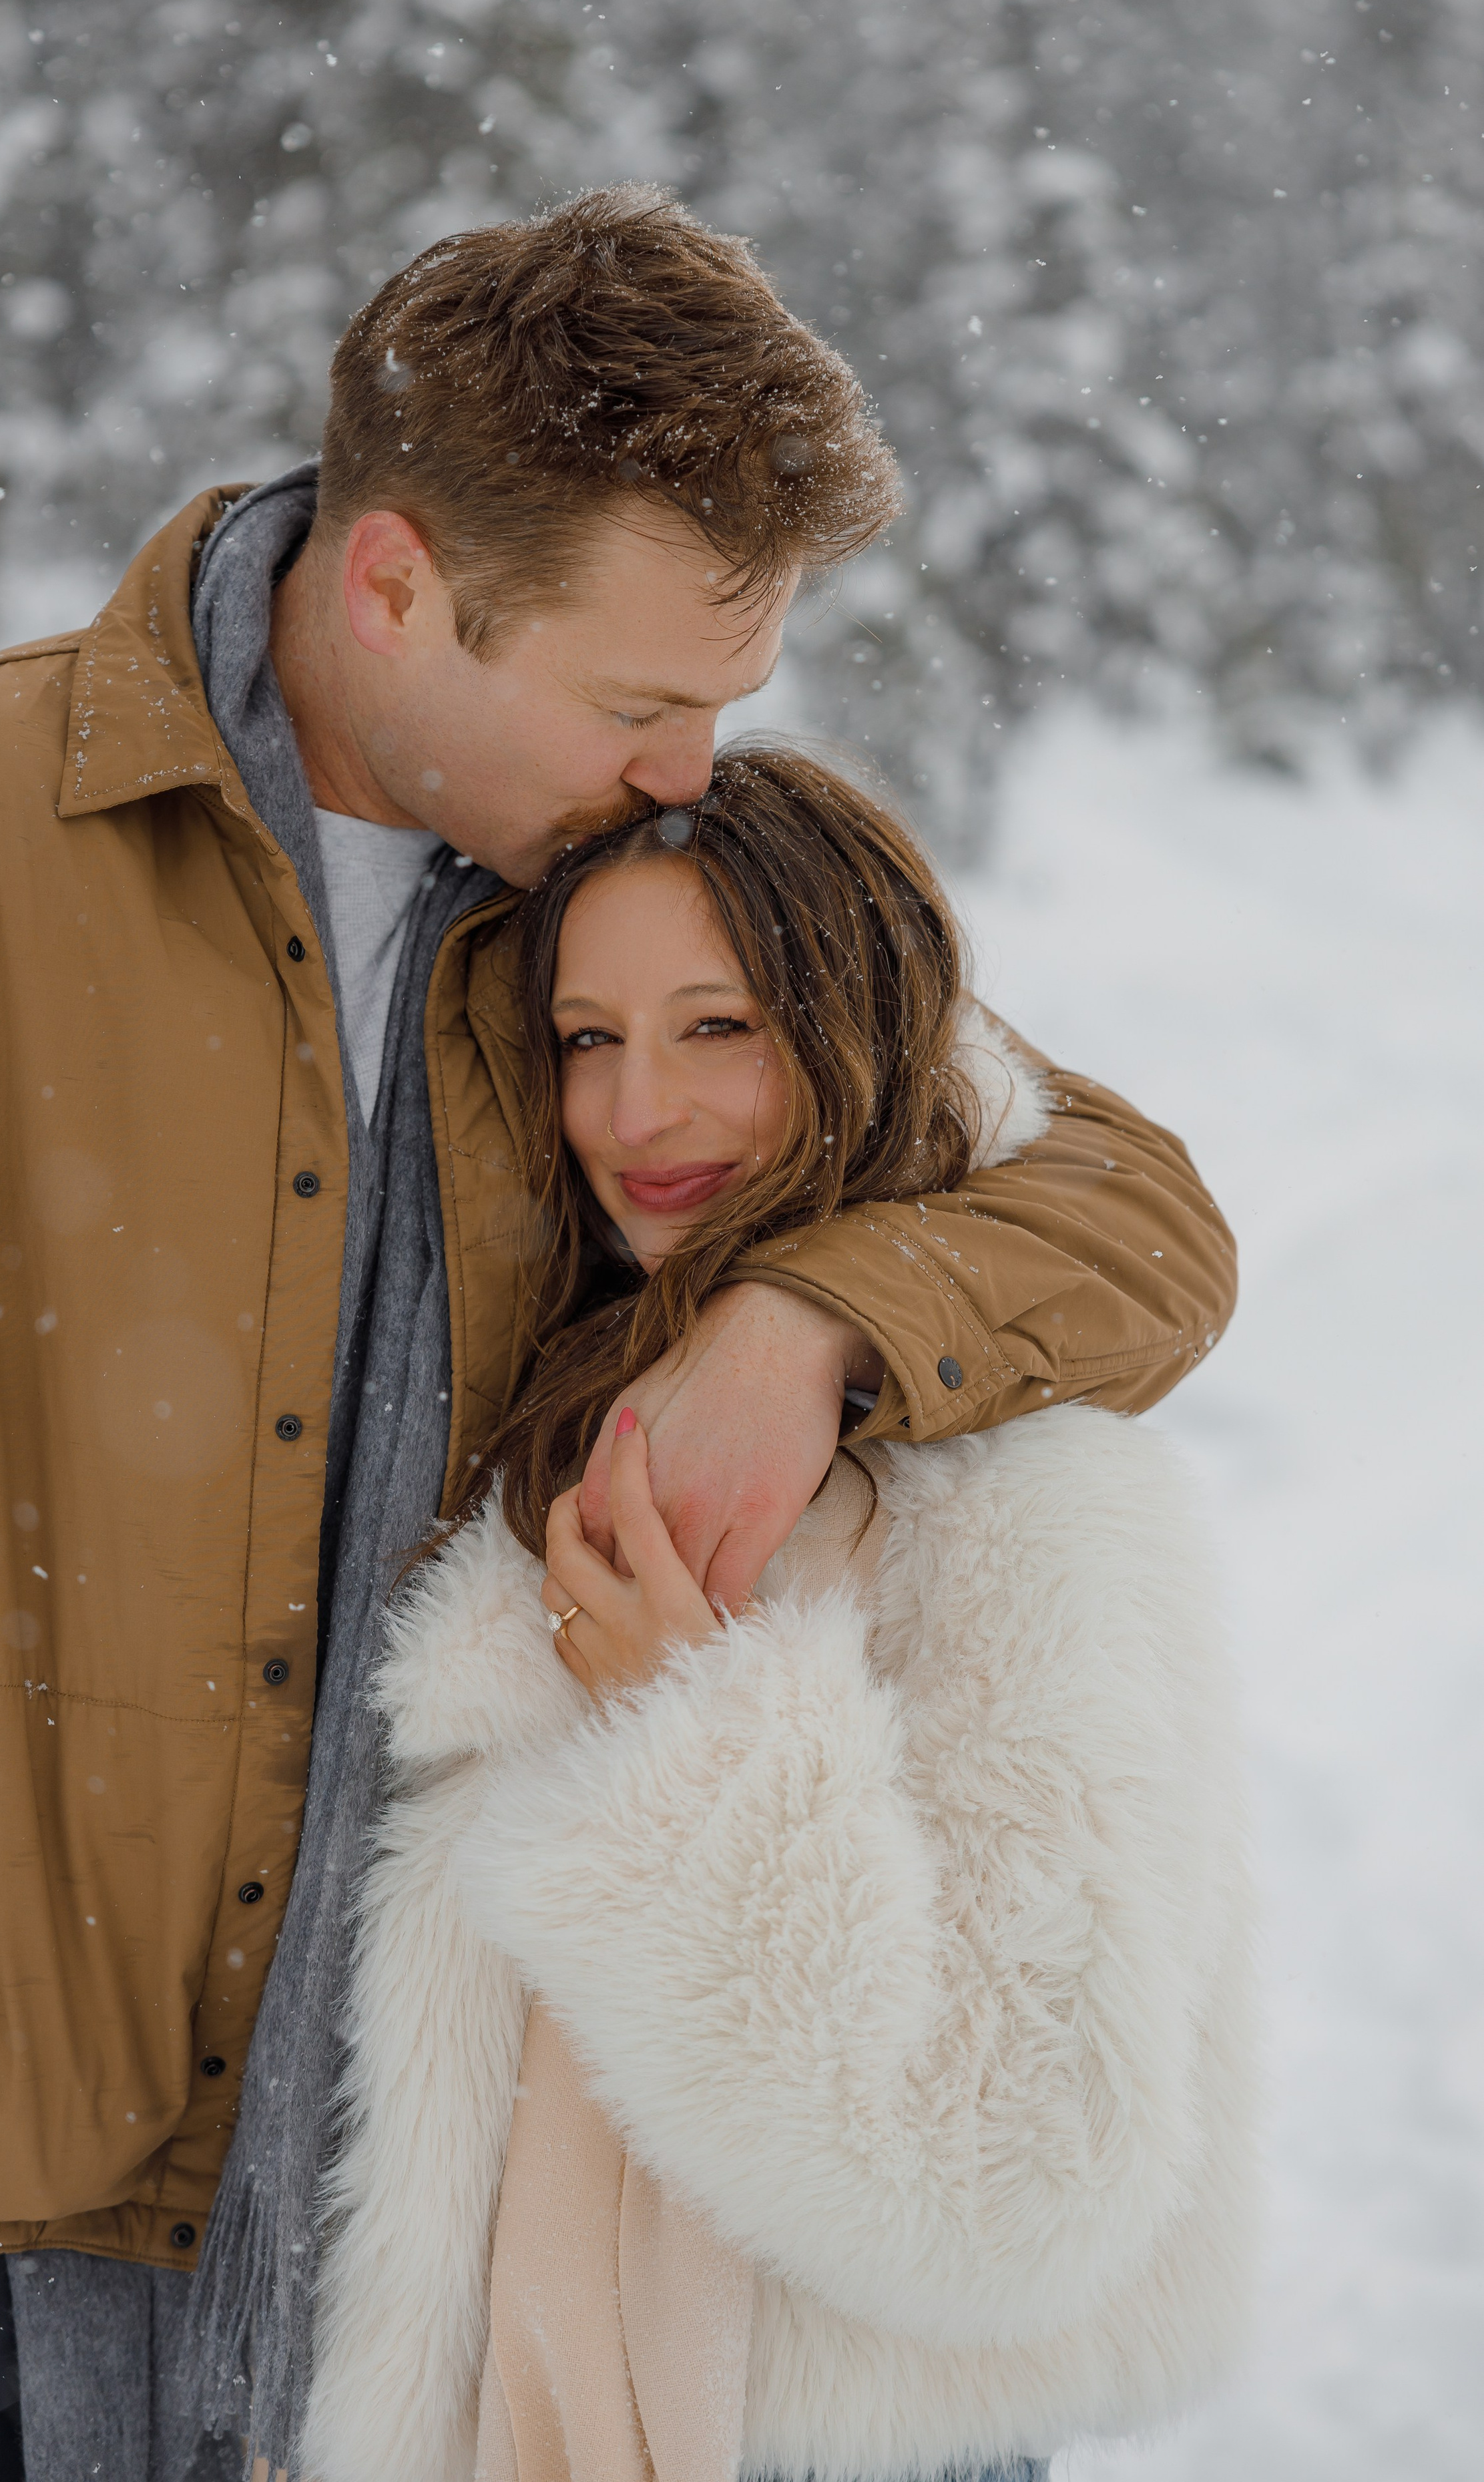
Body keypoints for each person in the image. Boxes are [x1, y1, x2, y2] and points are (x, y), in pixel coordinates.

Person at [0, 188, 1236, 2480]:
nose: (686, 766)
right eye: (644, 698)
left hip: (380, 2205)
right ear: (397, 587)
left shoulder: (619, 908)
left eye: (722, 710)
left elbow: (1133, 1213)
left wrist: (808, 1318)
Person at [304, 750, 1255, 2482]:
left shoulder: (1013, 1489)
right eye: (589, 1038)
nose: (637, 1114)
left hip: (831, 2436)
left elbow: (1010, 2173)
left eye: (719, 1028)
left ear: (854, 1030)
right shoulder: (569, 1370)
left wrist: (700, 1733)